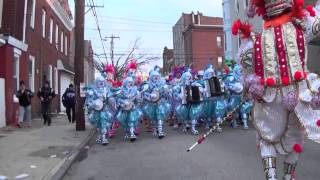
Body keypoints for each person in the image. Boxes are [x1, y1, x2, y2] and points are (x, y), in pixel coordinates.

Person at [234, 0, 320, 179]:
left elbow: (247, 69)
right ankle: (275, 177)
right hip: (274, 95)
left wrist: (250, 84)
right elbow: (248, 70)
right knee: (268, 136)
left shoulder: (299, 28)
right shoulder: (257, 41)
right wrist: (251, 84)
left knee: (292, 137)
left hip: (293, 94)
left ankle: (283, 176)